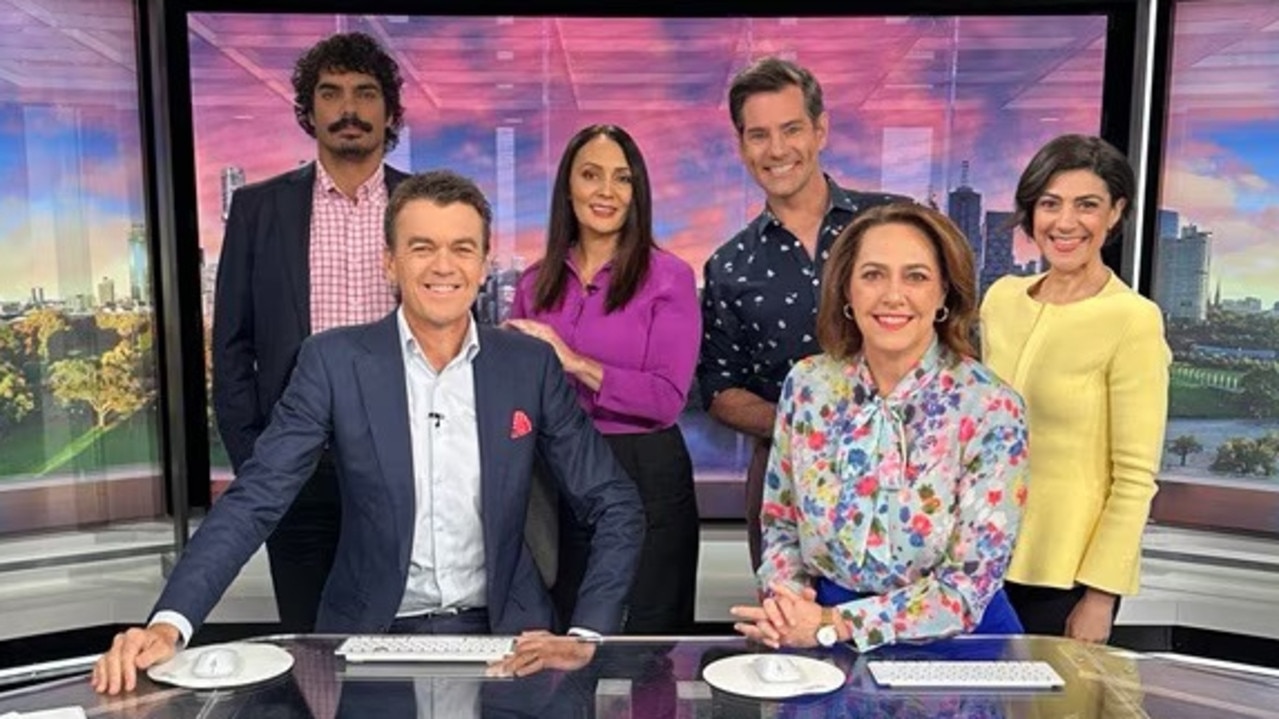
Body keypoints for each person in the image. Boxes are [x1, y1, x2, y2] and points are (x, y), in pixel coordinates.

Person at [92, 171, 645, 695]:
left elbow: (613, 503)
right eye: (422, 247)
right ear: (390, 263)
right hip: (370, 638)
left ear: (483, 266)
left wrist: (587, 633)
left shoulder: (529, 365)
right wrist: (169, 624)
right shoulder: (333, 361)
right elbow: (256, 498)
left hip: (512, 639)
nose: (443, 266)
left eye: (462, 248)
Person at [730, 203, 1029, 652]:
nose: (893, 295)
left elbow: (966, 589)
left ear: (945, 292)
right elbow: (780, 525)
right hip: (821, 641)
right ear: (846, 289)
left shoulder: (991, 407)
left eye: (916, 276)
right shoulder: (809, 385)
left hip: (954, 646)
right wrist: (788, 605)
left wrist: (834, 623)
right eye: (872, 275)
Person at [212, 31, 411, 633]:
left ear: (389, 111)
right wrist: (257, 459)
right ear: (309, 109)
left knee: (401, 635)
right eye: (331, 93)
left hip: (404, 462)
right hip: (296, 466)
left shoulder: (424, 204)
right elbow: (232, 348)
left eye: (365, 93)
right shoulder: (257, 210)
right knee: (309, 640)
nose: (348, 108)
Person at [697, 56, 911, 571]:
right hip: (784, 483)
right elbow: (720, 390)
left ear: (820, 130)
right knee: (790, 634)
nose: (777, 150)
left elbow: (952, 340)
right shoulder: (729, 263)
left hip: (906, 473)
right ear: (742, 146)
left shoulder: (893, 224)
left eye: (791, 129)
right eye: (758, 135)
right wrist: (807, 428)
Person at [507, 124, 701, 634]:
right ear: (568, 187)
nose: (606, 192)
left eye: (622, 178)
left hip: (645, 469)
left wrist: (572, 361)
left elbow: (665, 399)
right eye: (591, 175)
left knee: (650, 640)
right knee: (565, 629)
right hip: (559, 471)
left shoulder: (670, 276)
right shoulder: (533, 281)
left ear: (637, 191)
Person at [980, 134, 1170, 643]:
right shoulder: (1001, 298)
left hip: (1066, 577)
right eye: (1050, 204)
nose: (1065, 223)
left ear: (1115, 213)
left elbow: (1134, 478)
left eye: (1087, 205)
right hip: (978, 558)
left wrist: (1100, 596)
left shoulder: (1133, 320)